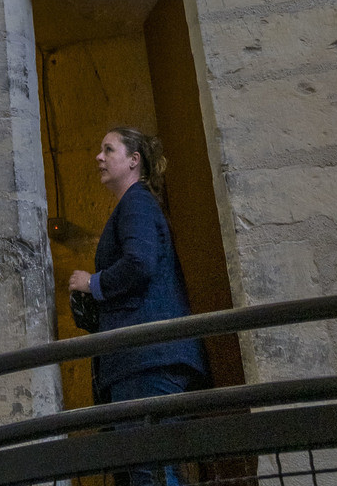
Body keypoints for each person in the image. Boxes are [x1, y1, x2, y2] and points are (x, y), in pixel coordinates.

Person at [68, 126, 209, 486]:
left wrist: (92, 283)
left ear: (134, 160)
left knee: (151, 470)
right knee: (153, 467)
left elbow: (140, 263)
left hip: (146, 358)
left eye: (108, 149)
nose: (98, 157)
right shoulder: (137, 204)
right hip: (148, 359)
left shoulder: (136, 202)